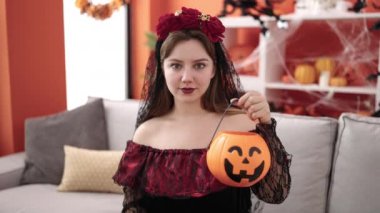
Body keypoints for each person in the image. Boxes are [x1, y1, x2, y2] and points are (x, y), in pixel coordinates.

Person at [113, 7, 292, 213]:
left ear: (214, 69)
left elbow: (275, 193)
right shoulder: (146, 134)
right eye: (176, 65)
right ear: (162, 69)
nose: (187, 77)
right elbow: (133, 207)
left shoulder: (241, 124)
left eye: (199, 65)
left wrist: (266, 126)